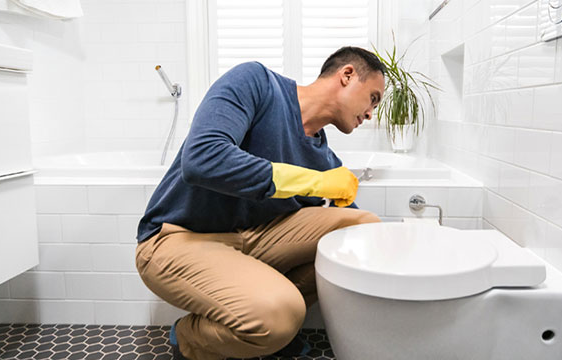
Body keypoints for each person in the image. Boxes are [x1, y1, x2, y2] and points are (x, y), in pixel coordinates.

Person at [134, 46, 387, 360]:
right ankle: (191, 336)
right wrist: (314, 182)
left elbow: (352, 237)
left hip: (251, 241)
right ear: (347, 75)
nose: (371, 113)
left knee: (362, 228)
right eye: (373, 98)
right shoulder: (256, 83)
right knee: (281, 317)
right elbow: (202, 159)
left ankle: (263, 324)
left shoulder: (323, 158)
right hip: (177, 238)